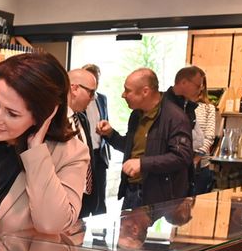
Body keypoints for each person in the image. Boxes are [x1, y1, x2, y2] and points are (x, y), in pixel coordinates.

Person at [0, 53, 90, 236]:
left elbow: (51, 225)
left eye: (12, 113)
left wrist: (36, 151)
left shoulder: (71, 154)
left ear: (44, 115)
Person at [97, 68, 193, 209]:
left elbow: (182, 156)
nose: (123, 95)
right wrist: (111, 134)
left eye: (127, 90)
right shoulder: (136, 115)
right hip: (132, 191)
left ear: (145, 91)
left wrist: (143, 164)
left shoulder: (175, 117)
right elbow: (133, 147)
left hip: (157, 196)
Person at [66, 68, 98, 218]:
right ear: (74, 88)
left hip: (84, 202)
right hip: (64, 203)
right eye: (91, 93)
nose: (93, 98)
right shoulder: (52, 123)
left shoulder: (82, 119)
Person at [81, 64, 111, 216]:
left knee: (100, 199)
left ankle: (100, 236)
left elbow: (106, 119)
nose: (95, 84)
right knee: (85, 197)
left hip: (100, 154)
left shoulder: (103, 99)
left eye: (97, 81)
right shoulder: (78, 101)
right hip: (84, 154)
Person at [192, 74, 217, 195]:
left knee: (197, 205)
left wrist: (196, 158)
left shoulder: (208, 108)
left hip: (201, 166)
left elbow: (210, 136)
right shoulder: (180, 106)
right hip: (180, 164)